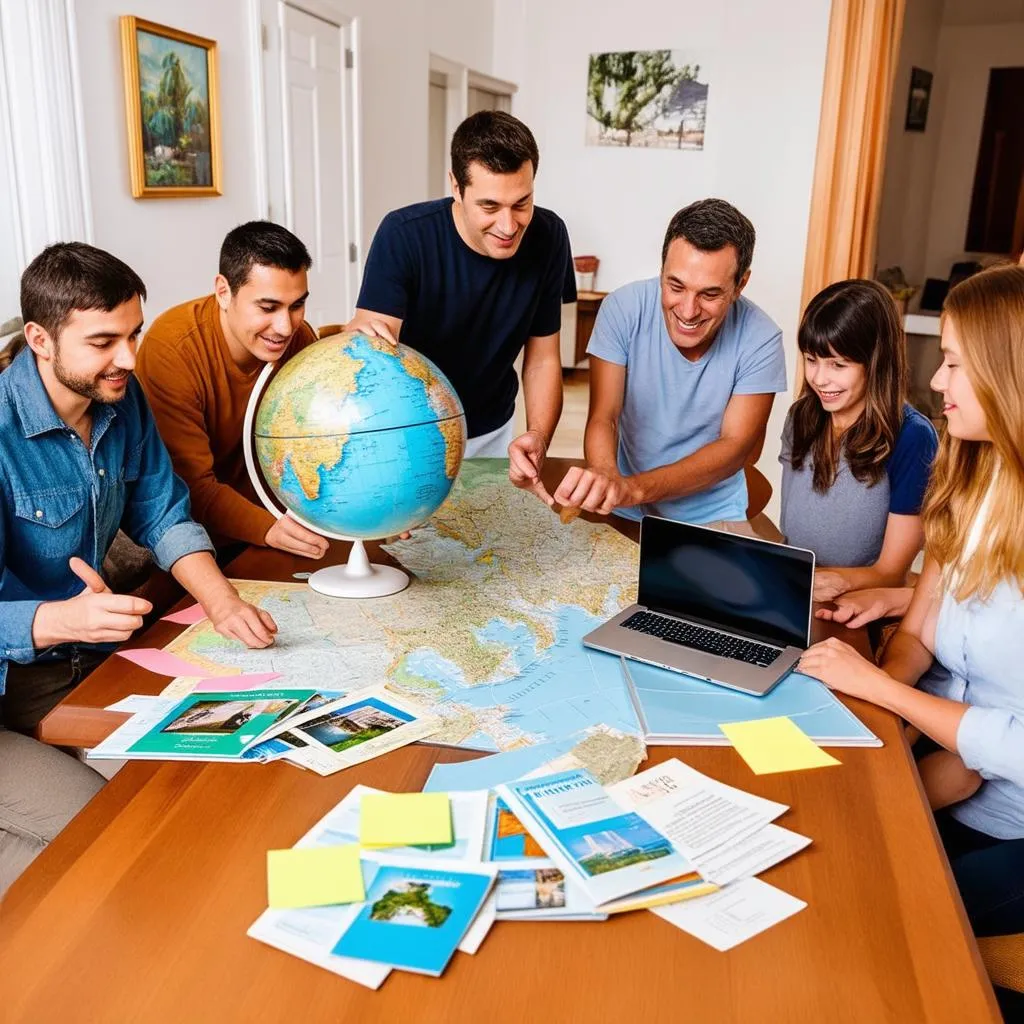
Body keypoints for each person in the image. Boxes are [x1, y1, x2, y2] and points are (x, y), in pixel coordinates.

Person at [0, 242, 278, 894]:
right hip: (7, 694)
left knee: (190, 801)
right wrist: (58, 618)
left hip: (77, 673)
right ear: (40, 339)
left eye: (134, 335)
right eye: (103, 342)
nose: (128, 359)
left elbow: (163, 512)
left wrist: (223, 602)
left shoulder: (121, 400)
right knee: (115, 849)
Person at [799, 264, 1024, 1018]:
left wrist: (882, 694)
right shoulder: (975, 471)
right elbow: (921, 627)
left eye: (957, 361)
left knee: (863, 907)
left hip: (1009, 821)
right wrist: (887, 725)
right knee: (823, 833)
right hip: (947, 768)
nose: (938, 377)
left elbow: (1011, 750)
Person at [346, 110, 575, 502]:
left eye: (522, 203)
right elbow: (373, 354)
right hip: (410, 438)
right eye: (489, 206)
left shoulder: (550, 236)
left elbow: (542, 360)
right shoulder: (403, 236)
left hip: (492, 432)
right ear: (456, 185)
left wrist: (537, 435)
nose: (508, 225)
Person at [550, 199, 787, 527]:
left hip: (711, 512)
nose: (688, 311)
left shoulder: (762, 339)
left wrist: (633, 489)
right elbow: (605, 416)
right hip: (624, 504)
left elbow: (735, 448)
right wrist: (606, 474)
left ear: (740, 285)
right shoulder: (623, 308)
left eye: (709, 294)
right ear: (661, 270)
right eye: (675, 286)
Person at [136, 221, 328, 559]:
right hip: (202, 542)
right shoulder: (171, 349)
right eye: (268, 308)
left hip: (289, 524)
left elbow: (320, 442)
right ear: (223, 292)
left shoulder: (300, 340)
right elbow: (187, 486)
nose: (285, 327)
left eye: (297, 305)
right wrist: (268, 528)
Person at [780, 279, 937, 602]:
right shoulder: (802, 417)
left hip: (856, 603)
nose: (820, 379)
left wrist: (803, 579)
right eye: (811, 360)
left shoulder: (913, 437)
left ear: (875, 363)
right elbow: (790, 535)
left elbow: (890, 573)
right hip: (797, 591)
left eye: (838, 365)